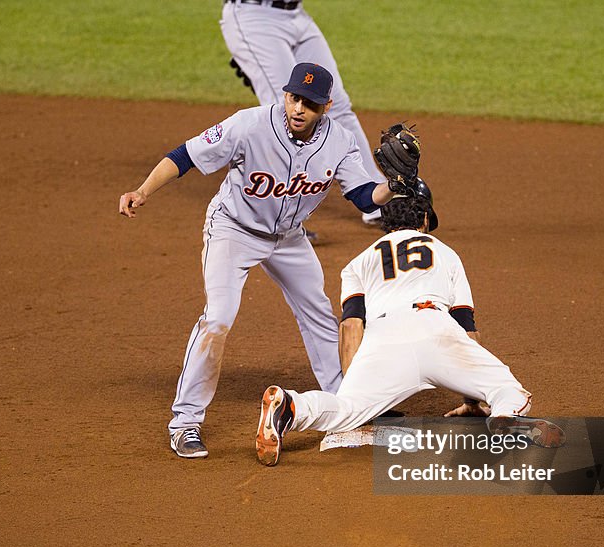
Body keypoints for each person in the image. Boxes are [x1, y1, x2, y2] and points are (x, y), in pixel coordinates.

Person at [119, 63, 399, 459]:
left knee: (318, 312)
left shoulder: (340, 140)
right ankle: (184, 423)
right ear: (285, 94)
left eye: (310, 103)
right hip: (233, 229)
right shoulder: (248, 125)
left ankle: (346, 405)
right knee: (218, 316)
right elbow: (185, 155)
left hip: (288, 238)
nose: (299, 108)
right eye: (294, 98)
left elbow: (364, 195)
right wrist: (142, 190)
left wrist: (393, 187)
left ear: (327, 106)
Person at [254, 184, 565, 466]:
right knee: (506, 389)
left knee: (346, 409)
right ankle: (506, 416)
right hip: (437, 328)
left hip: (384, 339)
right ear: (425, 222)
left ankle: (290, 406)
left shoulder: (357, 263)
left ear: (386, 224)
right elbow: (466, 326)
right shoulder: (446, 253)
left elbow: (351, 326)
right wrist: (472, 397)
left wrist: (359, 385)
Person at [220, 0, 387, 226]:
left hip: (297, 16)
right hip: (254, 17)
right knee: (284, 114)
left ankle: (376, 200)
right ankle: (275, 215)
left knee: (335, 104)